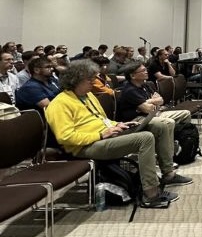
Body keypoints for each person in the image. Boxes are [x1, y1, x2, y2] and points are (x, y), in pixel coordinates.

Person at [44, 60, 191, 208]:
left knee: (159, 125)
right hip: (86, 146)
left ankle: (168, 173)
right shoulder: (59, 104)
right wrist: (101, 135)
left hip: (104, 136)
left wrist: (118, 125)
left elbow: (102, 119)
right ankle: (151, 194)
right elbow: (66, 137)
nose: (94, 83)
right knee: (145, 138)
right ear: (75, 80)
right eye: (90, 80)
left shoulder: (87, 96)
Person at [116, 63, 193, 125]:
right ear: (132, 76)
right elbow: (148, 109)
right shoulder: (130, 90)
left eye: (146, 70)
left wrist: (148, 102)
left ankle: (180, 138)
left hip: (150, 115)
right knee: (169, 122)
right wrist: (153, 101)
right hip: (137, 119)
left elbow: (161, 100)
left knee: (186, 113)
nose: (146, 72)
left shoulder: (146, 84)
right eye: (143, 71)